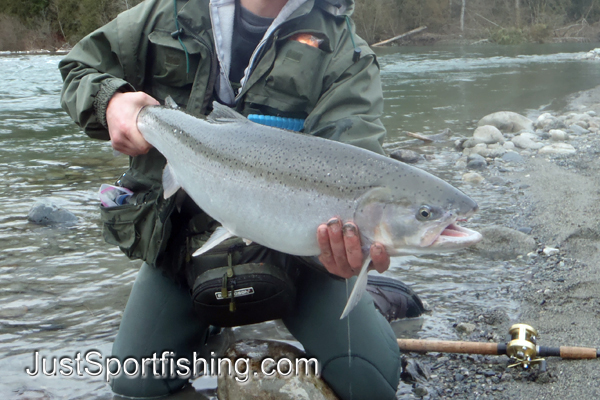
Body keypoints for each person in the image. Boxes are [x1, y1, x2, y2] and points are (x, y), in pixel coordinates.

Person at [59, 0, 400, 398]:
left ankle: (377, 298)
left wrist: (349, 250)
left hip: (300, 257)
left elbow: (359, 163)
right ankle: (210, 328)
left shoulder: (345, 51)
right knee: (135, 383)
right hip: (184, 247)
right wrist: (111, 101)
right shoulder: (165, 15)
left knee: (372, 384)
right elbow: (77, 69)